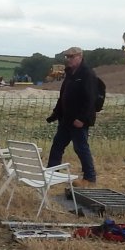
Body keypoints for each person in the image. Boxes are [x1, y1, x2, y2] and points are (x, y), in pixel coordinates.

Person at [45, 46, 98, 183]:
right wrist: (56, 113)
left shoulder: (87, 74)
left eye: (71, 57)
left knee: (80, 148)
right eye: (67, 57)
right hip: (66, 119)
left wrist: (82, 118)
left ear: (80, 57)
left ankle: (90, 177)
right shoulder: (69, 73)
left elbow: (90, 99)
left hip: (78, 120)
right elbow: (63, 95)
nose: (68, 59)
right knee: (57, 145)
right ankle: (51, 174)